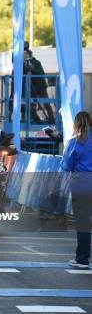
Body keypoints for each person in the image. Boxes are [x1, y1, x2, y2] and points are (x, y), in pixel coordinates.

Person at [61, 111, 92, 269]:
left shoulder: (74, 142)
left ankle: (82, 259)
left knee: (83, 224)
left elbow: (66, 166)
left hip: (81, 185)